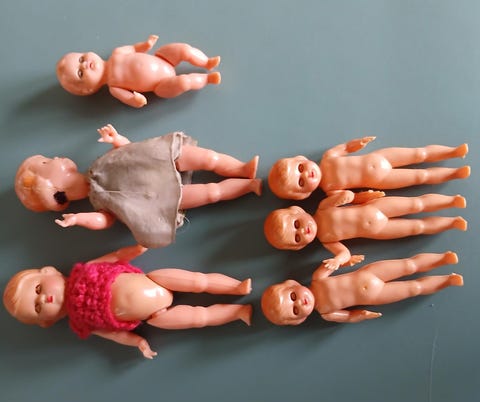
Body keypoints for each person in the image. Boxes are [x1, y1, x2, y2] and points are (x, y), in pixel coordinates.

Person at [15, 124, 261, 248]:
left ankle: (241, 169)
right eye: (46, 163)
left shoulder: (99, 165)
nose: (54, 158)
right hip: (152, 198)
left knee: (208, 158)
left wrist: (116, 139)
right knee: (211, 193)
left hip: (155, 159)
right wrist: (79, 219)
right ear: (55, 190)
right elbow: (106, 220)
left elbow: (129, 154)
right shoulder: (99, 200)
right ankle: (249, 186)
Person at [3, 245, 252, 359]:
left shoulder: (86, 270)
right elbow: (114, 334)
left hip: (153, 280)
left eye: (38, 289)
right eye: (38, 307)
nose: (43, 298)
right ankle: (238, 311)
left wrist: (136, 249)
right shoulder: (84, 323)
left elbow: (114, 257)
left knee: (199, 281)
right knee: (198, 318)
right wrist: (138, 343)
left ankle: (236, 286)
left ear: (49, 271)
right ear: (48, 321)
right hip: (154, 316)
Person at [264, 191, 467, 270]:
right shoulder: (326, 240)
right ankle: (452, 222)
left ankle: (451, 201)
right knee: (417, 227)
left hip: (377, 208)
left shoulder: (323, 208)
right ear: (300, 246)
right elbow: (344, 253)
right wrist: (338, 261)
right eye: (297, 237)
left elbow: (347, 196)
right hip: (379, 230)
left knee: (416, 203)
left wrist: (349, 196)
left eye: (296, 224)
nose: (303, 231)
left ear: (298, 211)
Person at [261, 251, 462, 325]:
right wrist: (362, 315)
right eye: (296, 310)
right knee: (413, 288)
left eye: (293, 297)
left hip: (369, 274)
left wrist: (344, 260)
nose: (300, 302)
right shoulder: (326, 313)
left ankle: (443, 259)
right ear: (300, 319)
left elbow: (337, 262)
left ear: (293, 284)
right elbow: (348, 316)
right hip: (375, 296)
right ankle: (448, 280)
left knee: (409, 265)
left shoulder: (318, 278)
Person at [268, 136, 470, 200]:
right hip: (381, 180)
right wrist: (368, 196)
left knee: (419, 153)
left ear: (301, 159)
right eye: (301, 181)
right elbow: (353, 198)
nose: (307, 174)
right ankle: (455, 173)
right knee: (420, 176)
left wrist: (357, 144)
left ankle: (453, 152)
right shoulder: (330, 190)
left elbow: (345, 147)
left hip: (379, 157)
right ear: (303, 194)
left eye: (300, 168)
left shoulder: (328, 157)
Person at [56, 35, 221, 107]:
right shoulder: (114, 87)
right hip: (160, 86)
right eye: (80, 73)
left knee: (183, 49)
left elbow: (135, 48)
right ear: (88, 89)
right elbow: (129, 98)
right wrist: (137, 100)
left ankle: (206, 62)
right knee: (183, 82)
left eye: (81, 59)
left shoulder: (117, 53)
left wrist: (146, 44)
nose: (85, 65)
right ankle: (207, 79)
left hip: (162, 58)